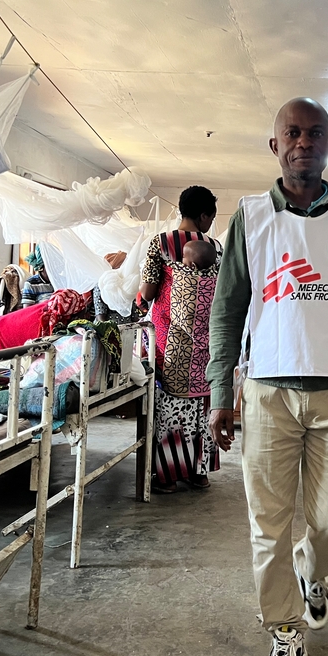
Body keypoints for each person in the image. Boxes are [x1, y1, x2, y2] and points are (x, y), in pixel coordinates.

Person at [206, 97, 328, 656]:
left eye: (316, 133)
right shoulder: (251, 217)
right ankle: (285, 632)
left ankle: (313, 573)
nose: (304, 142)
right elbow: (226, 310)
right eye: (293, 132)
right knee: (268, 524)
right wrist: (220, 392)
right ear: (276, 144)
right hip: (267, 394)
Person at [140, 186, 223, 493]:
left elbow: (148, 292)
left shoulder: (160, 243)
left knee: (171, 406)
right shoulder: (216, 248)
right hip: (207, 343)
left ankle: (168, 476)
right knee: (201, 405)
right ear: (203, 215)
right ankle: (199, 473)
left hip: (170, 340)